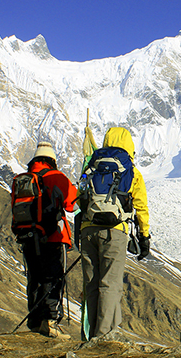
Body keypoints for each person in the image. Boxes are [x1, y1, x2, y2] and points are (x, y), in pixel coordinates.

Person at [80, 127, 150, 340]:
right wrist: (144, 236)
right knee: (110, 284)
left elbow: (79, 195)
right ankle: (104, 337)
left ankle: (90, 335)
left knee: (91, 285)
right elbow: (141, 206)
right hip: (115, 232)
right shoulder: (131, 170)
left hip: (88, 229)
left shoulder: (93, 165)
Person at [19, 142, 77, 339]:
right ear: (52, 161)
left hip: (28, 236)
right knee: (53, 278)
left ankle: (34, 322)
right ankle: (50, 321)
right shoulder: (56, 177)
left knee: (34, 278)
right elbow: (72, 204)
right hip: (53, 236)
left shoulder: (23, 179)